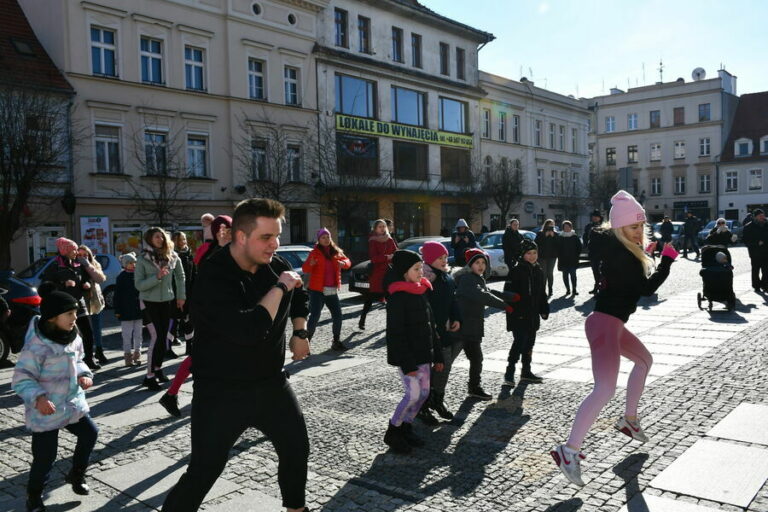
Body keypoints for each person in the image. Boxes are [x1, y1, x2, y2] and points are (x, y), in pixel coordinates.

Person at [162, 198, 311, 512]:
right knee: (205, 469)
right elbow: (248, 329)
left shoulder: (275, 265)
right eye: (266, 237)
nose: (275, 244)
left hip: (271, 384)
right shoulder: (213, 277)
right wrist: (280, 289)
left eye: (277, 235)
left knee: (296, 449)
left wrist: (300, 331)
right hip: (221, 390)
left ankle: (296, 510)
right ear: (241, 237)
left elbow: (300, 295)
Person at [551, 190, 678, 487]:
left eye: (641, 226)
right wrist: (668, 261)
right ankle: (569, 451)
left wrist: (645, 248)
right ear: (619, 228)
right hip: (605, 326)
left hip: (612, 325)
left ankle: (629, 421)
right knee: (604, 389)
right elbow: (645, 289)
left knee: (645, 360)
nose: (638, 232)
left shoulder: (617, 249)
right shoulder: (624, 256)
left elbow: (629, 272)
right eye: (633, 227)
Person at [12, 287, 99, 512]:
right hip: (46, 410)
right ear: (52, 317)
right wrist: (38, 398)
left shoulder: (73, 336)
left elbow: (79, 360)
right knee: (45, 457)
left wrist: (83, 374)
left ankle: (76, 474)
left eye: (75, 313)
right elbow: (21, 379)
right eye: (69, 314)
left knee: (91, 433)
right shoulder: (36, 347)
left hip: (70, 404)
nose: (75, 318)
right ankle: (34, 496)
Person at [159, 217, 231, 416]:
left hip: (214, 311)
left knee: (205, 356)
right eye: (226, 229)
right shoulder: (214, 253)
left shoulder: (215, 250)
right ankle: (181, 395)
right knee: (203, 356)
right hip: (213, 313)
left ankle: (174, 394)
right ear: (218, 232)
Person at [382, 250, 443, 454]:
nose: (421, 272)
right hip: (408, 358)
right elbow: (396, 334)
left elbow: (431, 325)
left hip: (424, 354)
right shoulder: (398, 297)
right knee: (413, 394)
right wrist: (407, 365)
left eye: (421, 268)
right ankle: (393, 431)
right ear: (403, 272)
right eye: (416, 269)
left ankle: (406, 427)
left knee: (423, 393)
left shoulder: (422, 291)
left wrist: (438, 354)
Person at [455, 248, 517, 400]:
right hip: (462, 328)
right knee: (447, 362)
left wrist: (509, 297)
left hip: (472, 328)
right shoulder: (467, 279)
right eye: (477, 262)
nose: (481, 266)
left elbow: (489, 291)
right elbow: (483, 295)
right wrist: (505, 306)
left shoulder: (477, 278)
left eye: (483, 262)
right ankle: (433, 392)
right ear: (470, 265)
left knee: (476, 359)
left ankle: (474, 387)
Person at [415, 242, 461, 425]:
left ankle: (436, 399)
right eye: (439, 258)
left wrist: (456, 317)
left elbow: (453, 300)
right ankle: (423, 406)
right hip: (430, 332)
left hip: (444, 328)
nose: (444, 261)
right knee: (434, 368)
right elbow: (423, 307)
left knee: (444, 366)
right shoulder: (427, 279)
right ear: (429, 260)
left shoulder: (446, 277)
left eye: (444, 257)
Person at [134, 227, 186, 391]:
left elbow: (180, 276)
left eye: (162, 237)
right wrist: (156, 277)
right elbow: (139, 285)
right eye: (157, 237)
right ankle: (149, 377)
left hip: (167, 301)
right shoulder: (143, 259)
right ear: (149, 239)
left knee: (164, 339)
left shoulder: (172, 256)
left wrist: (181, 296)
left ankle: (157, 368)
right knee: (156, 337)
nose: (160, 239)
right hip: (148, 302)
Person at [41, 237, 100, 370]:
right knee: (68, 334)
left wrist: (86, 284)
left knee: (88, 332)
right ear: (65, 250)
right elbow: (46, 286)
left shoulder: (78, 263)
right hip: (63, 306)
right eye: (73, 249)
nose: (76, 252)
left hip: (79, 302)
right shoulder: (55, 266)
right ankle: (66, 361)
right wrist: (63, 284)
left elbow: (86, 278)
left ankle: (89, 358)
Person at [503, 239, 549, 387]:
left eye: (534, 253)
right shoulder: (516, 271)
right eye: (529, 253)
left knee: (530, 343)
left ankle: (526, 371)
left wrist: (544, 309)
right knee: (519, 343)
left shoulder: (538, 270)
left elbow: (542, 292)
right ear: (522, 254)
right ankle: (509, 373)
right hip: (518, 315)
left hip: (533, 315)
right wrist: (513, 304)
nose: (532, 256)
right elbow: (507, 294)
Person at [302, 228, 352, 351]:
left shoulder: (335, 251)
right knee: (314, 316)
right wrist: (311, 264)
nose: (326, 239)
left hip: (331, 290)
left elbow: (348, 261)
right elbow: (305, 268)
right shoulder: (314, 252)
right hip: (317, 290)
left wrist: (343, 264)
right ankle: (306, 344)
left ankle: (336, 341)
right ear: (319, 240)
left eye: (328, 237)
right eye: (323, 237)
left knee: (338, 316)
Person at [358, 219, 397, 330]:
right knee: (370, 299)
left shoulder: (390, 239)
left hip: (389, 272)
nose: (382, 228)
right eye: (380, 227)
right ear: (375, 228)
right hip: (377, 274)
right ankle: (362, 319)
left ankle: (392, 323)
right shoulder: (373, 240)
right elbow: (374, 258)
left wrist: (395, 256)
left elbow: (395, 251)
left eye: (384, 226)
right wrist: (387, 257)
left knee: (391, 299)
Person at [77, 245, 108, 365]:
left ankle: (99, 350)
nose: (83, 257)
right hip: (83, 301)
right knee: (85, 330)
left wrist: (88, 265)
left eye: (85, 255)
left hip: (95, 300)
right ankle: (86, 354)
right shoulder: (75, 265)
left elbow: (100, 279)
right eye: (80, 255)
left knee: (97, 328)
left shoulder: (93, 264)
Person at [114, 253, 143, 367]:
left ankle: (137, 354)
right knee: (126, 335)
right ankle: (127, 356)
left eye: (134, 262)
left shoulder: (138, 275)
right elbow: (117, 296)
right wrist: (118, 310)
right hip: (126, 311)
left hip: (138, 309)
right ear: (125, 264)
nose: (133, 265)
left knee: (138, 334)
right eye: (131, 263)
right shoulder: (121, 277)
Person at [171, 231, 196, 353]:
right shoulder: (170, 256)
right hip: (174, 294)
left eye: (184, 239)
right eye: (180, 240)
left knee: (188, 320)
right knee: (173, 321)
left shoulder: (189, 254)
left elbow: (194, 274)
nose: (183, 242)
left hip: (189, 294)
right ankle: (167, 348)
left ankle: (189, 346)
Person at [742, 209, 768, 293]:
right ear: (755, 217)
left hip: (766, 251)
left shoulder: (767, 224)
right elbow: (745, 240)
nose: (762, 217)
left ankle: (765, 285)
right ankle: (756, 286)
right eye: (760, 216)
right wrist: (756, 243)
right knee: (755, 270)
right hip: (755, 252)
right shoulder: (748, 226)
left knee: (766, 270)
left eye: (763, 215)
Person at [557, 221, 582, 296]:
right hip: (563, 260)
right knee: (565, 276)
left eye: (568, 227)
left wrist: (576, 255)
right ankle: (567, 289)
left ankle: (574, 289)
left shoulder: (574, 236)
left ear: (571, 227)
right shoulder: (560, 237)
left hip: (573, 260)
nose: (566, 228)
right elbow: (557, 248)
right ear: (563, 228)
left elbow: (579, 247)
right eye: (565, 227)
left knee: (573, 275)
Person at [535, 219, 559, 297]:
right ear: (546, 225)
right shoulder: (540, 233)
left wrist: (553, 236)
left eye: (552, 225)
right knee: (544, 274)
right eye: (549, 225)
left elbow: (558, 245)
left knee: (550, 273)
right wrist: (544, 236)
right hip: (542, 257)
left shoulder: (556, 234)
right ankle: (543, 290)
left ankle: (550, 289)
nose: (550, 226)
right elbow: (536, 243)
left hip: (552, 257)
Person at [583, 210, 604, 294]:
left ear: (599, 218)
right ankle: (597, 285)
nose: (594, 218)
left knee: (602, 270)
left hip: (602, 252)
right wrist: (586, 244)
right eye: (593, 216)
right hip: (592, 251)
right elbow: (585, 236)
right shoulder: (589, 226)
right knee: (594, 270)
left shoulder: (603, 226)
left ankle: (602, 286)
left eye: (596, 216)